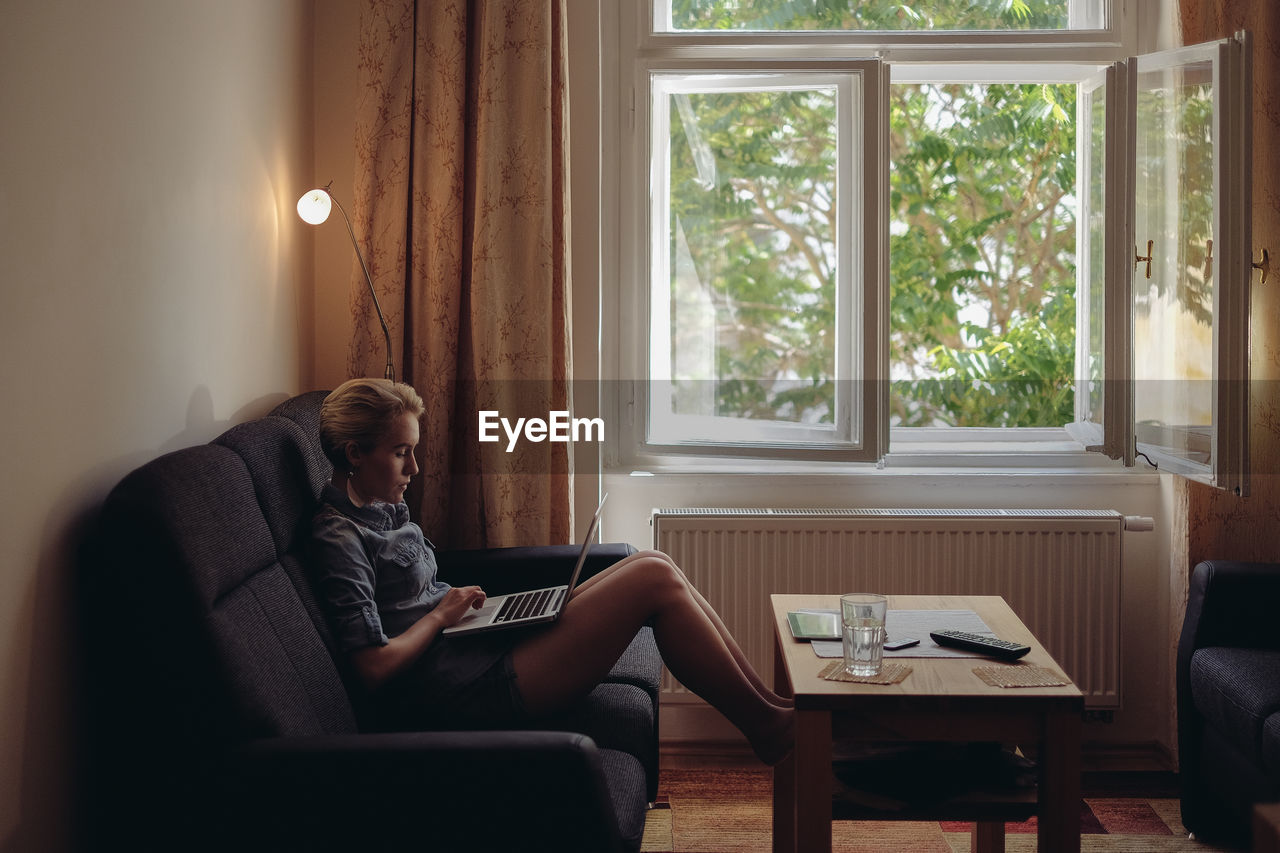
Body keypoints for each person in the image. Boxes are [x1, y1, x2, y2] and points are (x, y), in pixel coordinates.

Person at [310, 377, 794, 764]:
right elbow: (372, 667)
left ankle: (772, 710)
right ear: (355, 454)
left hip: (475, 650)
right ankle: (769, 727)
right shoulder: (341, 539)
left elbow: (409, 596)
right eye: (401, 453)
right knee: (654, 580)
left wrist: (460, 606)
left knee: (651, 561)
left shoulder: (381, 506)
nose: (414, 468)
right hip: (465, 690)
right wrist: (440, 615)